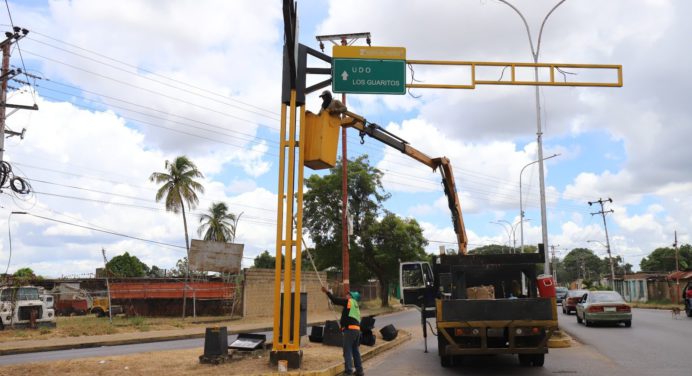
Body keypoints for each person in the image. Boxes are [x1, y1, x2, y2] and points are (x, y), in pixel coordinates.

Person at [322, 286, 364, 376]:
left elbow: (335, 300)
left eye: (348, 294)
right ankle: (359, 371)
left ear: (352, 297)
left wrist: (327, 292)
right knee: (355, 351)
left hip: (350, 331)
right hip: (356, 331)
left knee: (347, 351)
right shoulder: (355, 305)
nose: (346, 295)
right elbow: (348, 317)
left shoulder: (349, 301)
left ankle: (348, 371)